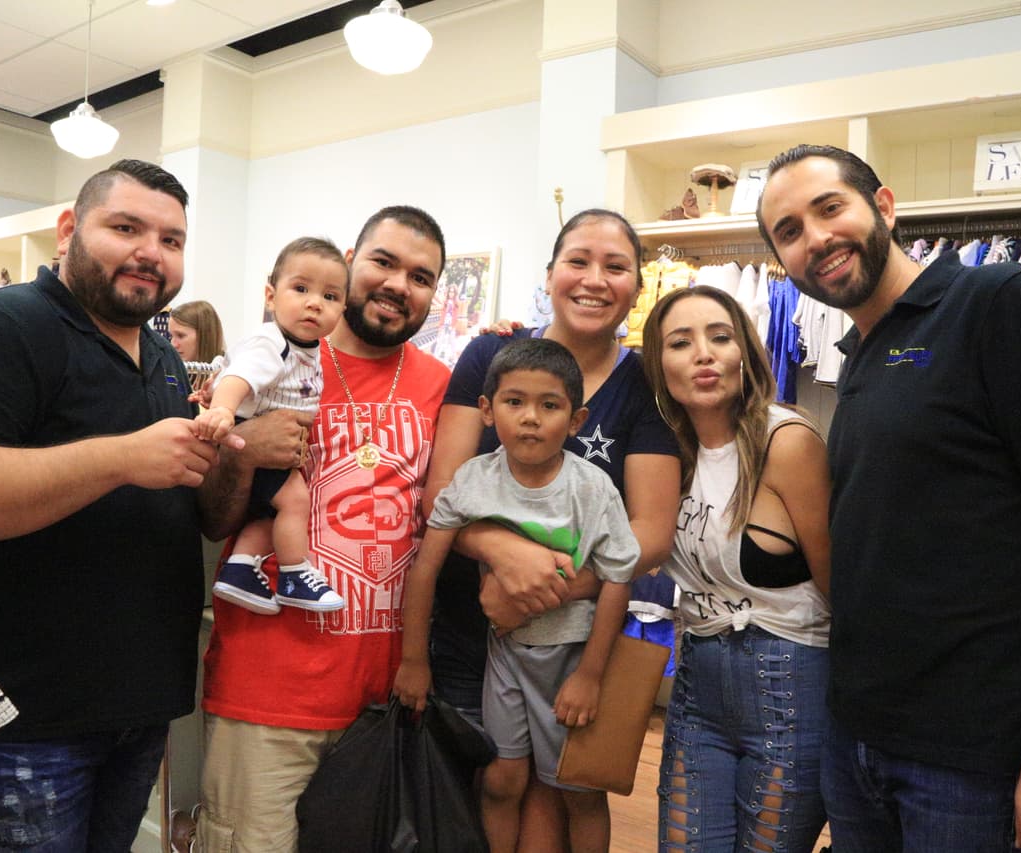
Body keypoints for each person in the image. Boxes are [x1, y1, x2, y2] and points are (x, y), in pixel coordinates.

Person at [0, 159, 306, 849]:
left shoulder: (162, 356)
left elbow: (206, 516)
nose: (152, 251)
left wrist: (238, 452)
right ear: (68, 229)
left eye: (172, 240)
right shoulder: (2, 326)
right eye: (126, 227)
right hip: (18, 724)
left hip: (137, 709)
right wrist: (120, 457)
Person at [755, 144, 1021, 853]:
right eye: (790, 231)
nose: (816, 238)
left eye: (829, 208)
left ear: (885, 207)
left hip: (973, 758)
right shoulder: (861, 354)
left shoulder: (998, 301)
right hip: (861, 738)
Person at [196, 205, 452, 851]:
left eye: (421, 276)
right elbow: (214, 518)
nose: (399, 284)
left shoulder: (440, 386)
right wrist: (244, 446)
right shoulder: (270, 362)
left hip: (379, 701)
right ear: (351, 261)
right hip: (267, 693)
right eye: (384, 262)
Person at [425, 208, 681, 850]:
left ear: (637, 284)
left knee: (566, 788)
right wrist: (501, 555)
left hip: (575, 637)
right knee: (489, 788)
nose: (595, 279)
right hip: (473, 633)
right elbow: (442, 492)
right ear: (549, 274)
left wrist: (547, 587)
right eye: (578, 260)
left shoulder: (647, 381)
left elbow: (651, 530)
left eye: (616, 265)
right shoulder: (490, 352)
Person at [394, 337, 640, 852]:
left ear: (576, 420)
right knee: (502, 779)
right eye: (514, 402)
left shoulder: (593, 489)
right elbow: (425, 570)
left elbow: (619, 578)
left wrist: (591, 676)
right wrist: (413, 660)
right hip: (504, 657)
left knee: (579, 789)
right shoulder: (470, 481)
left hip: (572, 659)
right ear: (486, 410)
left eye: (549, 405)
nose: (531, 417)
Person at [641, 285, 832, 852]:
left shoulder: (787, 442)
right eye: (681, 342)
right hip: (698, 679)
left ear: (745, 352)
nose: (704, 353)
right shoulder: (663, 453)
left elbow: (837, 581)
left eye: (720, 337)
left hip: (791, 680)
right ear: (660, 365)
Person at [198, 238, 349, 615]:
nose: (315, 302)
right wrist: (222, 408)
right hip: (260, 439)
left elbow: (232, 370)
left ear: (343, 308)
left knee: (270, 515)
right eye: (300, 289)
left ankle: (239, 567)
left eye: (330, 296)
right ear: (271, 295)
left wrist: (215, 392)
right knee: (296, 502)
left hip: (276, 441)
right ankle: (295, 573)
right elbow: (241, 377)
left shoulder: (305, 347)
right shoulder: (273, 343)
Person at [170, 299, 226, 363]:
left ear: (205, 335)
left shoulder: (231, 370)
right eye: (171, 336)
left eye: (180, 336)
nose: (173, 345)